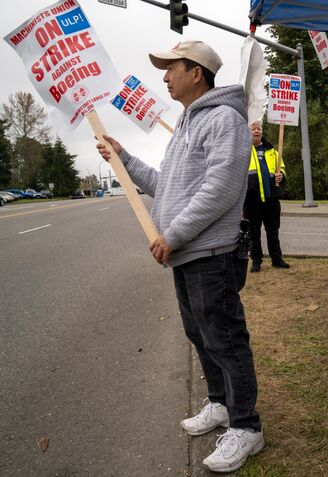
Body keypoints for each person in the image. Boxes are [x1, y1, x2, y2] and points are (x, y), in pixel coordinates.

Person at [96, 40, 263, 473]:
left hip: (211, 253)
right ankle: (221, 404)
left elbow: (222, 189)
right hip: (188, 256)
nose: (165, 76)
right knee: (200, 334)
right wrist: (124, 156)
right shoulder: (187, 121)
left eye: (172, 68)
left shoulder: (225, 118)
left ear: (197, 73)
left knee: (225, 338)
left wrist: (173, 234)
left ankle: (247, 427)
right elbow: (163, 183)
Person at [244, 121, 290, 273]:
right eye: (253, 129)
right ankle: (256, 261)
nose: (257, 131)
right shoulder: (243, 150)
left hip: (271, 199)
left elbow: (281, 167)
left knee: (273, 232)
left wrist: (281, 176)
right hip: (252, 200)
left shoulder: (272, 151)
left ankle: (277, 259)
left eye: (259, 129)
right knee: (253, 233)